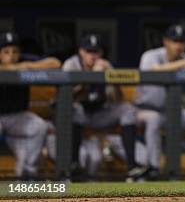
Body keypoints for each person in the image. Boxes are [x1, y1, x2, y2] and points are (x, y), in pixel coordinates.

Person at [134, 24, 185, 179]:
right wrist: (182, 64)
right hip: (144, 110)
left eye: (182, 42)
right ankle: (154, 169)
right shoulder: (150, 56)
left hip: (173, 113)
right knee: (154, 119)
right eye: (174, 41)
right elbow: (152, 71)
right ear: (165, 41)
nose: (178, 45)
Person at [62, 34, 146, 181]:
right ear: (81, 51)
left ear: (101, 53)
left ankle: (132, 166)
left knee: (127, 109)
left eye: (96, 52)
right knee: (74, 110)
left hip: (100, 114)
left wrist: (111, 76)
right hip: (79, 114)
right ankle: (73, 164)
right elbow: (65, 97)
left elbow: (118, 98)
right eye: (89, 51)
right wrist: (91, 78)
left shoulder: (105, 65)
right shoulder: (71, 64)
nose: (93, 56)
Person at [0, 31, 60, 180]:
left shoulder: (23, 61)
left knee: (40, 125)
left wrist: (26, 65)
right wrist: (9, 69)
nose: (11, 55)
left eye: (15, 51)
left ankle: (29, 170)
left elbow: (55, 63)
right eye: (6, 52)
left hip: (18, 117)